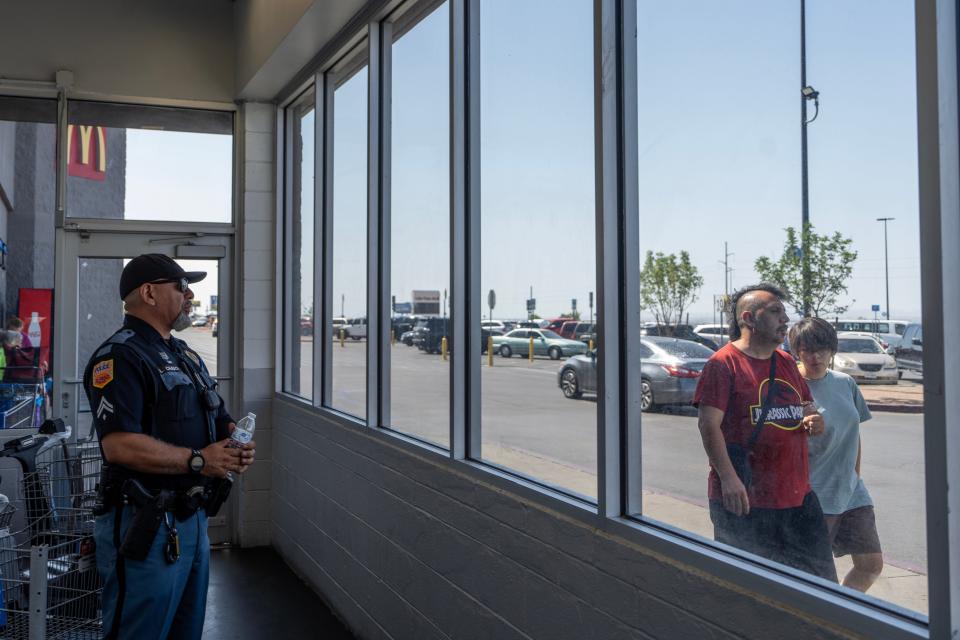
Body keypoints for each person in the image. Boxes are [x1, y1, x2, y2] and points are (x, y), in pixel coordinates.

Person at [83, 254, 256, 640]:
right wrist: (199, 460)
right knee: (140, 630)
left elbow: (217, 415)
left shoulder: (185, 355)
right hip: (144, 523)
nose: (190, 294)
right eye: (180, 286)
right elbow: (120, 446)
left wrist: (233, 443)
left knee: (186, 629)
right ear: (148, 293)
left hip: (190, 520)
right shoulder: (120, 357)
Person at [694, 283, 837, 581]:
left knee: (822, 587)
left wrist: (813, 420)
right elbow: (709, 425)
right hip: (746, 501)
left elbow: (806, 407)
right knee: (750, 589)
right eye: (775, 312)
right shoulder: (723, 364)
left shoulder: (784, 362)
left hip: (797, 498)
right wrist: (729, 479)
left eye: (784, 312)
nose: (785, 319)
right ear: (748, 318)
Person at [788, 318, 883, 592]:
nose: (815, 356)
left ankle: (843, 607)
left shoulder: (846, 383)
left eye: (821, 349)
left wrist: (855, 475)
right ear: (797, 351)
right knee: (815, 574)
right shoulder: (790, 387)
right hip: (814, 494)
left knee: (870, 563)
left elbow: (854, 431)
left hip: (852, 490)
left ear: (832, 350)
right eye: (806, 349)